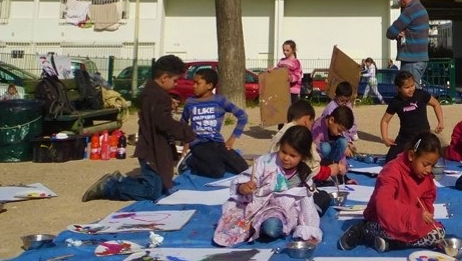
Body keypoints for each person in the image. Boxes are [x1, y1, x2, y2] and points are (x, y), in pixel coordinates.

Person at [82, 55, 196, 202]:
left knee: (160, 185)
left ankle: (120, 181)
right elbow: (163, 122)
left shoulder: (153, 92)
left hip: (155, 147)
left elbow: (156, 113)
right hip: (151, 150)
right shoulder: (157, 96)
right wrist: (186, 132)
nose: (176, 84)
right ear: (164, 78)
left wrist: (168, 102)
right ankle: (109, 187)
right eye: (175, 80)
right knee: (152, 192)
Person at [213, 125, 321, 246]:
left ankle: (260, 227)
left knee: (272, 228)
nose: (286, 158)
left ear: (303, 156)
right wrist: (244, 187)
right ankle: (257, 226)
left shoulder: (303, 175)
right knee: (231, 224)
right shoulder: (265, 161)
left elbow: (307, 206)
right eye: (283, 152)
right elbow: (247, 178)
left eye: (292, 156)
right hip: (254, 206)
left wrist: (310, 231)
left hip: (281, 211)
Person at [338, 132, 445, 252]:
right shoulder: (392, 170)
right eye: (425, 164)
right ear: (411, 155)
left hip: (409, 221)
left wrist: (423, 216)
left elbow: (426, 201)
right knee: (391, 230)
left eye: (432, 165)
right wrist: (414, 215)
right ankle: (364, 230)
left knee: (438, 233)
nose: (429, 170)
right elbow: (384, 205)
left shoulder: (425, 178)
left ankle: (390, 244)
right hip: (383, 219)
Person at [179, 67, 249, 179]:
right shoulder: (190, 102)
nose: (194, 86)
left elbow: (242, 116)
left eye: (198, 83)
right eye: (194, 83)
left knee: (243, 168)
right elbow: (183, 122)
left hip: (217, 142)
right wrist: (186, 144)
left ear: (209, 86)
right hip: (198, 144)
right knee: (216, 171)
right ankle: (190, 161)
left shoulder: (219, 101)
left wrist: (232, 139)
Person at [271, 99, 347, 189]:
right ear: (306, 120)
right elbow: (313, 170)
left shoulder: (281, 132)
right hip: (288, 183)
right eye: (311, 123)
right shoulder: (301, 135)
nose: (311, 127)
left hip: (274, 177)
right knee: (322, 197)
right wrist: (329, 170)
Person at [380, 70, 443, 162]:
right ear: (398, 88)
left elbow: (436, 104)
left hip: (423, 137)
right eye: (407, 87)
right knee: (390, 161)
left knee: (425, 159)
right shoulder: (395, 102)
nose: (411, 89)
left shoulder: (421, 94)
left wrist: (440, 122)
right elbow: (385, 121)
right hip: (405, 138)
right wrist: (385, 138)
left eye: (412, 85)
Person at [386, 0, 429, 85]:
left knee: (409, 94)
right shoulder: (421, 8)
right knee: (413, 93)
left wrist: (397, 33)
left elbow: (390, 32)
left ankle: (434, 102)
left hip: (411, 60)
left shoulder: (410, 11)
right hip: (420, 59)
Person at [317, 80, 358, 149]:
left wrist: (349, 137)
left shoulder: (348, 105)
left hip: (341, 134)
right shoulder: (330, 109)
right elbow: (333, 129)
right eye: (342, 101)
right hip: (329, 137)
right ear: (335, 95)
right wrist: (346, 142)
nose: (344, 103)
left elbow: (352, 121)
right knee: (327, 148)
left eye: (347, 101)